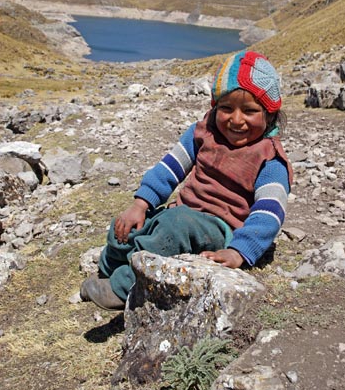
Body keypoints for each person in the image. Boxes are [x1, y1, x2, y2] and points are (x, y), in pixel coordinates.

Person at [80, 50, 293, 310]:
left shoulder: (270, 159)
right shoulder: (202, 133)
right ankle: (108, 271)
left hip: (221, 229)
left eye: (249, 111)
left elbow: (269, 213)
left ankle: (122, 288)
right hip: (180, 215)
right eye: (226, 108)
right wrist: (140, 204)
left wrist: (239, 251)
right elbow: (169, 168)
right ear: (214, 107)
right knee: (129, 225)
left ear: (269, 114)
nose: (236, 120)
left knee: (172, 226)